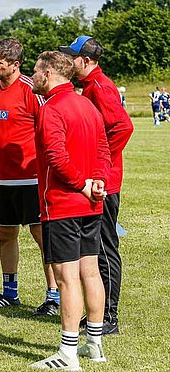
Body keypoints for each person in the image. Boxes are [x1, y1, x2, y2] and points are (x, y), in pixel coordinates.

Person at [29, 51, 111, 372]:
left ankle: (68, 352)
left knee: (66, 278)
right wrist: (98, 182)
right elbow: (104, 147)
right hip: (91, 202)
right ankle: (95, 345)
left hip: (64, 203)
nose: (33, 77)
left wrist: (81, 184)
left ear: (48, 74)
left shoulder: (52, 107)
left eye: (36, 71)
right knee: (90, 271)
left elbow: (56, 155)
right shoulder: (87, 105)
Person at [60, 36, 134, 335]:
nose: (69, 61)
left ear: (86, 61)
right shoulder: (89, 87)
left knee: (102, 247)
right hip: (96, 179)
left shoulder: (100, 88)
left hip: (104, 182)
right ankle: (97, 313)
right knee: (92, 248)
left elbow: (123, 127)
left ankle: (109, 316)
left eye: (73, 57)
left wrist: (99, 166)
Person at [0, 38, 59, 316]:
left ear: (15, 65)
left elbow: (50, 130)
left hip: (31, 178)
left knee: (41, 236)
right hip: (0, 178)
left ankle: (53, 296)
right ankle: (9, 292)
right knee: (5, 233)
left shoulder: (31, 90)